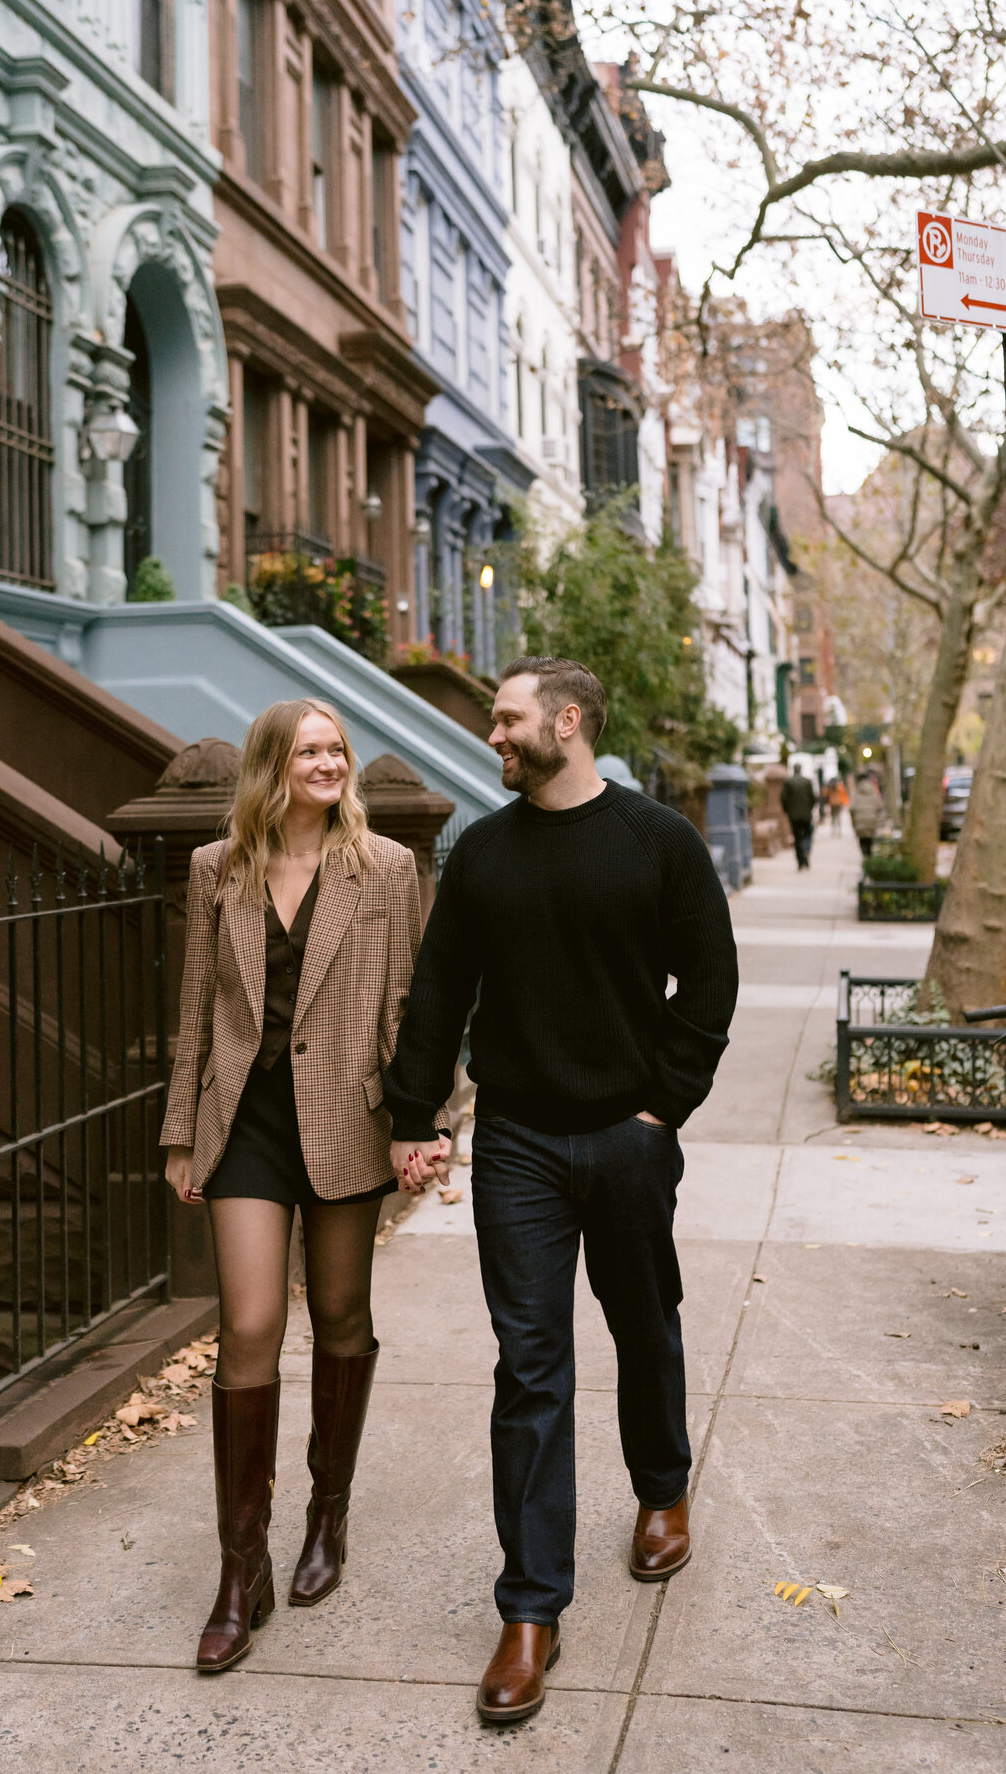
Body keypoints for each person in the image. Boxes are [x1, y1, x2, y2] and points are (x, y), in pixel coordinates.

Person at [383, 657, 738, 1727]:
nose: (494, 734)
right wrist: (414, 1114)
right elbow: (440, 988)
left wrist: (662, 1108)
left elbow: (708, 978)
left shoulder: (659, 841)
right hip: (518, 1144)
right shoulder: (483, 852)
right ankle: (531, 1610)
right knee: (530, 1368)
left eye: (509, 718)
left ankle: (662, 1489)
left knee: (644, 1323)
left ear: (568, 721)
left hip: (628, 1135)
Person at [160, 699, 448, 1674]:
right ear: (271, 767)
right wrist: (179, 1134)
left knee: (338, 1313)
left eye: (337, 750)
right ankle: (241, 1569)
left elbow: (412, 1004)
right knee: (247, 1324)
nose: (329, 763)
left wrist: (421, 1122)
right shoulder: (217, 869)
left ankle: (329, 1512)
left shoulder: (387, 869)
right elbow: (198, 1008)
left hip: (345, 1119)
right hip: (242, 1122)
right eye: (309, 751)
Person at [780, 764, 816, 870]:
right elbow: (813, 798)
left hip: (793, 816)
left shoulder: (788, 782)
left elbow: (783, 798)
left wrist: (787, 811)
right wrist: (809, 809)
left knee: (796, 838)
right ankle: (806, 852)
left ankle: (800, 861)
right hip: (806, 815)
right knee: (808, 835)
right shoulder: (807, 781)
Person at [850, 771, 885, 859]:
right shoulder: (873, 791)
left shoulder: (856, 792)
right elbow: (880, 806)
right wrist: (878, 819)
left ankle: (865, 857)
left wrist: (854, 823)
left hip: (859, 822)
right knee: (870, 841)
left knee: (862, 841)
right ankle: (869, 857)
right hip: (872, 821)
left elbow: (852, 808)